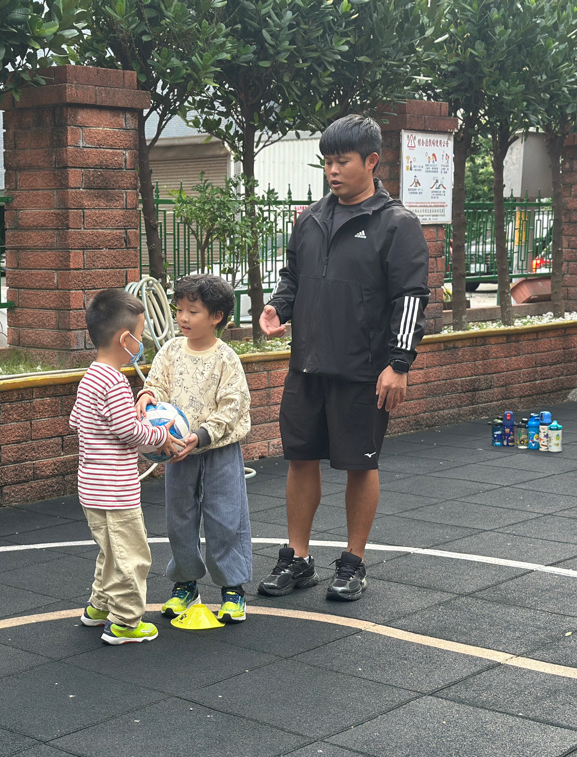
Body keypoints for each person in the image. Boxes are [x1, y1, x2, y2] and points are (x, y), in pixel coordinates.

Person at [256, 114, 429, 602]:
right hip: (307, 365)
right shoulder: (310, 219)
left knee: (360, 465)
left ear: (371, 161)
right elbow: (294, 275)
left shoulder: (397, 224)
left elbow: (411, 297)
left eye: (342, 161)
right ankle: (298, 558)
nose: (333, 170)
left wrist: (399, 364)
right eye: (327, 161)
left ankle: (353, 563)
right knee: (300, 459)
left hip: (363, 371)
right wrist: (278, 306)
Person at [70, 288, 185, 645]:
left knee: (111, 552)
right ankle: (125, 622)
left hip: (92, 488)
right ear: (125, 339)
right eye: (140, 334)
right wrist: (160, 435)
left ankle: (99, 607)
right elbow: (130, 432)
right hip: (116, 491)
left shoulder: (91, 377)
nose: (142, 342)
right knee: (132, 555)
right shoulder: (115, 382)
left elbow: (76, 421)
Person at [136, 274, 253, 624]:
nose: (183, 318)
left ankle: (232, 589)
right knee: (179, 519)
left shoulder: (226, 358)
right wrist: (147, 395)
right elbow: (156, 383)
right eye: (179, 310)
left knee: (225, 517)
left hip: (217, 449)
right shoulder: (171, 351)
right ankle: (186, 584)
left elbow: (232, 406)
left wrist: (202, 435)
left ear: (216, 317)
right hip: (177, 452)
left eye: (193, 311)